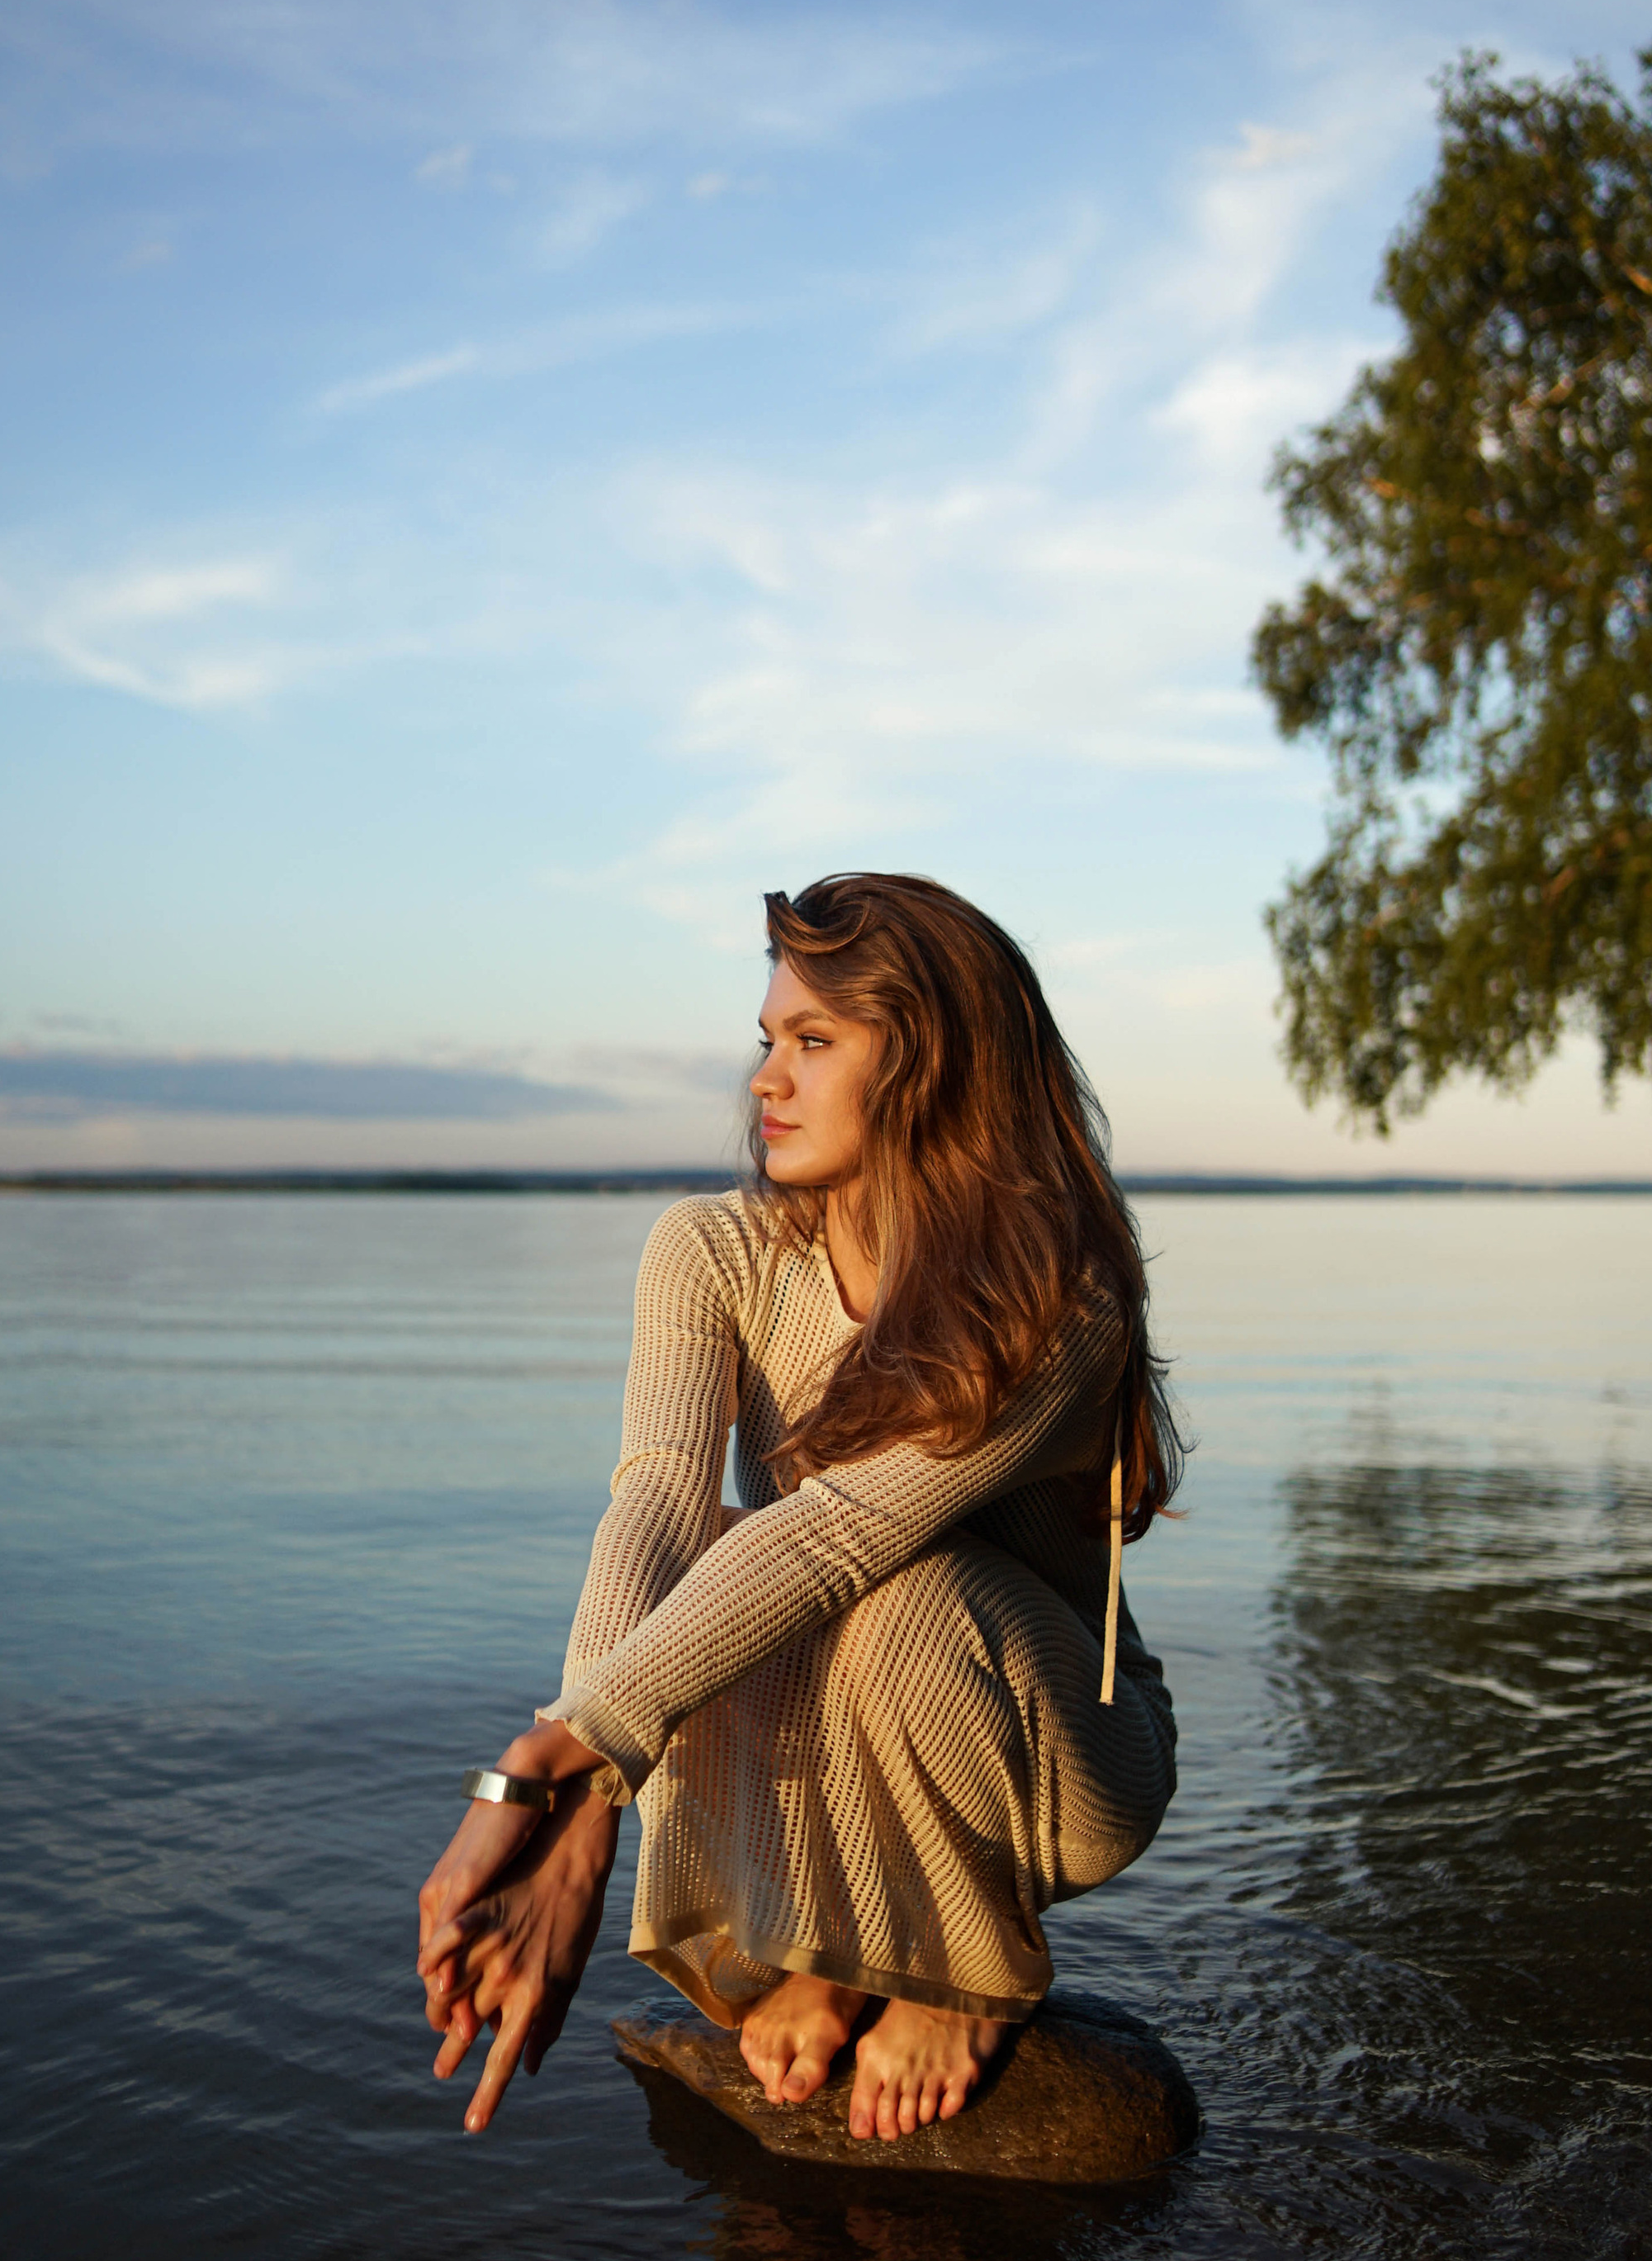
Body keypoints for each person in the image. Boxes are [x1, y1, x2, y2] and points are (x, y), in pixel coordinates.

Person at [415, 873, 1181, 2143]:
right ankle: (842, 1948)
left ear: (936, 1065)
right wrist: (578, 1811)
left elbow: (844, 1532)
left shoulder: (1059, 1298)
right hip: (869, 1704)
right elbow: (657, 1504)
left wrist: (568, 1751)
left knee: (887, 1583)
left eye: (814, 1042)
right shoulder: (711, 1249)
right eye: (768, 1039)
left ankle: (967, 1960)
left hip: (1065, 1752)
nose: (766, 1079)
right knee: (703, 1561)